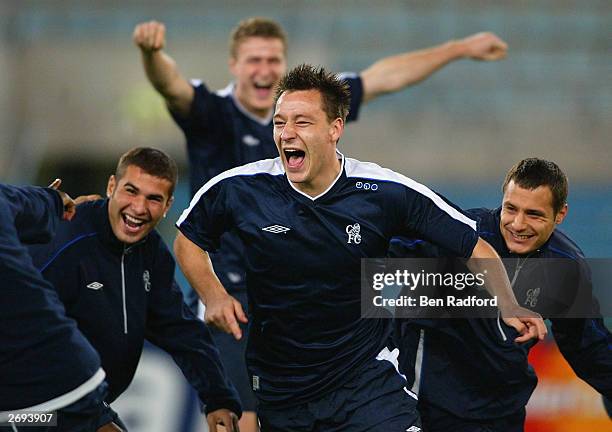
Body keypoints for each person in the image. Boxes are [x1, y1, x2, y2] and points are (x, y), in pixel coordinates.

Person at [133, 17, 509, 428]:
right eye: (254, 59)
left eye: (273, 59)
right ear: (234, 66)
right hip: (245, 308)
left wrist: (456, 48)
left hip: (346, 337)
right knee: (241, 418)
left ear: (334, 128)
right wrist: (152, 54)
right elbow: (170, 85)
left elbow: (384, 76)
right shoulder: (213, 116)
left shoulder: (331, 124)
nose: (264, 69)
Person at [27, 148, 241, 432]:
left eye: (154, 199)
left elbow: (182, 331)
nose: (139, 208)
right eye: (131, 191)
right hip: (30, 409)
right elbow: (26, 331)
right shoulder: (66, 242)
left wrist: (219, 398)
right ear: (111, 186)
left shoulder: (151, 253)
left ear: (168, 206)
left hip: (85, 406)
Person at [391, 158, 612, 431]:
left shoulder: (564, 266)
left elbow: (588, 346)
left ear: (560, 214)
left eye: (534, 214)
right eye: (511, 209)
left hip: (501, 412)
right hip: (426, 407)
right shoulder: (461, 235)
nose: (518, 224)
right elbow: (381, 244)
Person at [0, 182, 123, 432]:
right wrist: (56, 203)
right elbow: (36, 202)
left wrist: (56, 204)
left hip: (33, 389)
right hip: (67, 370)